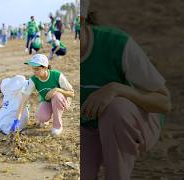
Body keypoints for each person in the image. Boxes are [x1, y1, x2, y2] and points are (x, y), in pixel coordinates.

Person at [80, 1, 171, 179]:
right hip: (88, 128)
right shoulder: (54, 56)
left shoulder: (116, 44)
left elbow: (164, 102)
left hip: (134, 122)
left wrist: (116, 89)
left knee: (116, 109)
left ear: (80, 19)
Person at [10, 54, 74, 136]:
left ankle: (57, 126)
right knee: (41, 117)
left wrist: (57, 89)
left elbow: (72, 93)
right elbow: (24, 100)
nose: (34, 71)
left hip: (62, 100)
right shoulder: (33, 80)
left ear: (45, 68)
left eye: (37, 69)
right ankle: (47, 117)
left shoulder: (57, 75)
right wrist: (17, 120)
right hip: (47, 100)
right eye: (33, 69)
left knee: (57, 96)